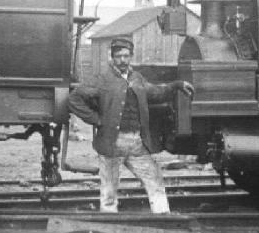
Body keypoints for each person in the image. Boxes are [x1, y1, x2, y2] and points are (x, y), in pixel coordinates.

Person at [67, 36, 194, 213]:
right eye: (118, 56)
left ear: (131, 56)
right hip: (111, 144)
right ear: (112, 57)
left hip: (136, 144)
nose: (123, 60)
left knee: (155, 181)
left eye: (126, 56)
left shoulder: (137, 78)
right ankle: (109, 223)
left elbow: (156, 92)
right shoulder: (102, 79)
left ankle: (163, 217)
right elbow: (74, 98)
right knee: (109, 190)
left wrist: (177, 85)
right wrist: (97, 120)